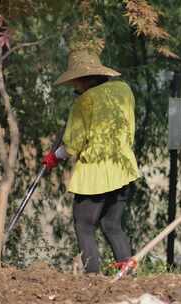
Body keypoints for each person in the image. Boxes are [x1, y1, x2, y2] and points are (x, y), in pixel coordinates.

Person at [42, 45, 139, 273]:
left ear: (83, 79)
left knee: (84, 225)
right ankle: (128, 273)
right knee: (111, 224)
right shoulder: (124, 90)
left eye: (75, 81)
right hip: (123, 168)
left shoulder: (84, 102)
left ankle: (93, 278)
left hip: (96, 175)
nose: (74, 86)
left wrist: (54, 157)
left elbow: (73, 145)